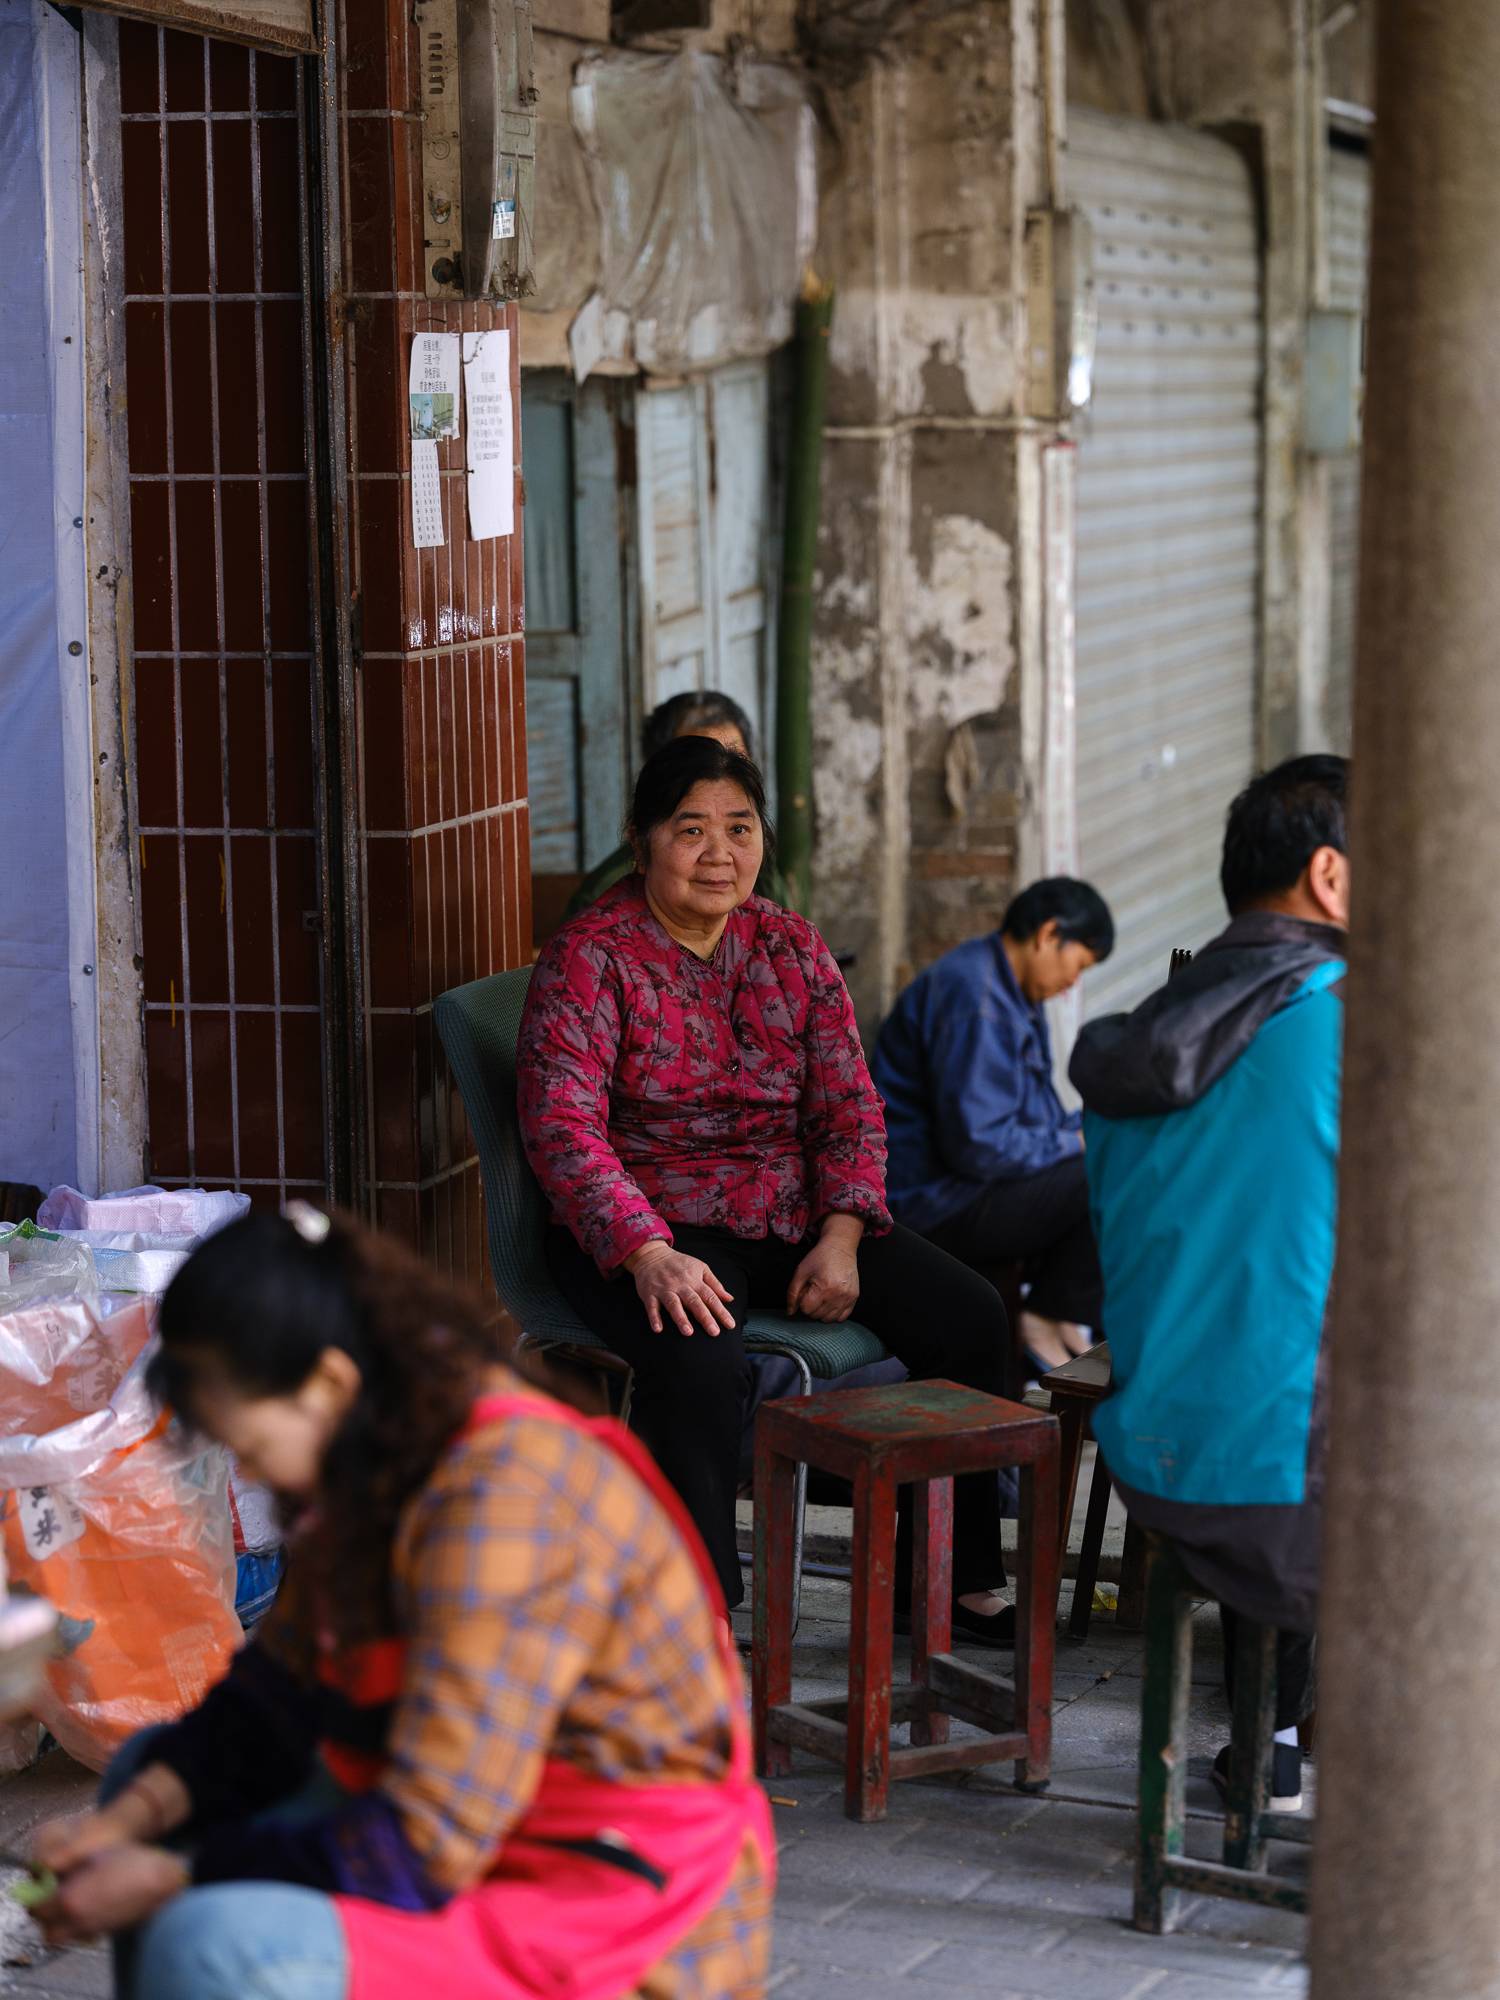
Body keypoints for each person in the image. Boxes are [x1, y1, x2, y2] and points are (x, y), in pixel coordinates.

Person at [29, 1208, 774, 1999]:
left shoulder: (503, 1497)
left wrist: (179, 1877)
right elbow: (273, 1695)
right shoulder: (371, 1449)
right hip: (473, 1820)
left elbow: (424, 1846)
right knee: (149, 1778)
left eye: (249, 1446)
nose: (248, 1471)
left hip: (613, 1898)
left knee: (214, 1942)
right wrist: (120, 1826)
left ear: (328, 1384)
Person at [518, 734, 1016, 1645]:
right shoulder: (591, 956)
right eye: (691, 830)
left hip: (788, 1214)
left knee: (972, 1317)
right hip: (646, 1224)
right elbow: (562, 1126)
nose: (719, 853)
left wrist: (843, 1235)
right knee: (701, 1355)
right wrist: (646, 1251)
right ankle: (697, 1607)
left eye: (739, 828)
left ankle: (950, 1578)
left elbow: (850, 1107)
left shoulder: (789, 943)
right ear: (641, 840)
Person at [1070, 754, 1350, 1812]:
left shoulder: (1154, 1027)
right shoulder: (1346, 1019)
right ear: (1331, 876)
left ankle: (1269, 1753)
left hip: (1158, 1453)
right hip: (1297, 1482)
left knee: (1283, 1360)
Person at [872, 878, 1115, 1375]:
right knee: (1102, 1172)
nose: (1073, 983)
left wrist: (1087, 1128)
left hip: (970, 1186)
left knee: (1112, 1145)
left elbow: (1036, 1117)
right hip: (932, 1201)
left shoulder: (1012, 991)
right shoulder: (974, 999)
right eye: (1079, 966)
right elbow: (979, 1147)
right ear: (1049, 935)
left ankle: (1060, 1316)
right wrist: (1076, 1140)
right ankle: (1044, 1317)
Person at [565, 690, 789, 920]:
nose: (720, 774)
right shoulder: (600, 905)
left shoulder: (762, 877)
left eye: (735, 761)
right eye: (692, 831)